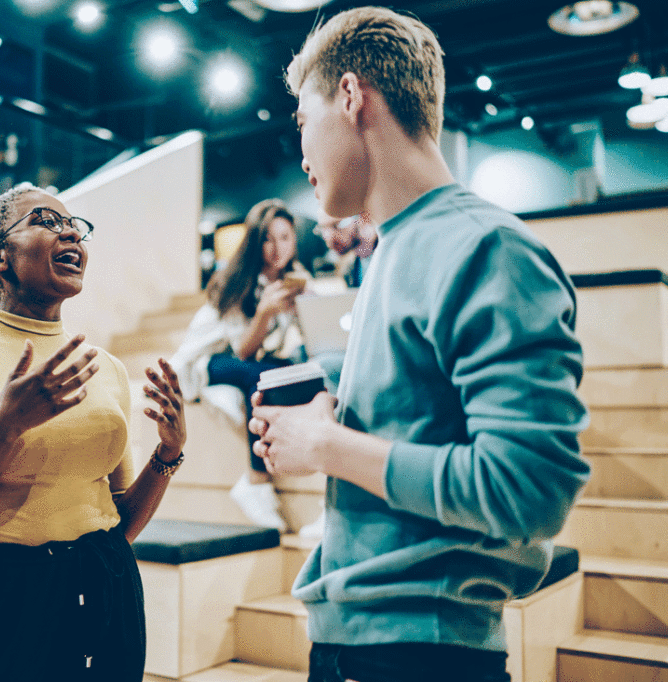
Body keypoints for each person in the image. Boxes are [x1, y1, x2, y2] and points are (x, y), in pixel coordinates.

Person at [248, 7, 589, 682]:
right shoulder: (395, 249)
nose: (303, 154)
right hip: (359, 642)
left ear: (350, 97)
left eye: (301, 123)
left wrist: (325, 446)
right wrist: (330, 406)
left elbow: (528, 491)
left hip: (423, 653)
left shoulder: (485, 246)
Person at [0, 182, 187, 682]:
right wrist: (5, 427)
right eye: (45, 221)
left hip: (107, 585)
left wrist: (168, 452)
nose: (70, 232)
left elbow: (119, 522)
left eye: (75, 226)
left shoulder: (106, 368)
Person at [171, 198, 309, 532]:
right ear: (254, 241)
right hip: (205, 362)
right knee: (261, 376)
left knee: (287, 370)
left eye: (285, 238)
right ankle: (256, 480)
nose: (277, 248)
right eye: (268, 238)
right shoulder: (236, 280)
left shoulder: (292, 280)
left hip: (247, 359)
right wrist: (265, 312)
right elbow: (243, 351)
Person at [314, 210, 378, 288]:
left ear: (363, 217)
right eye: (323, 228)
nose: (329, 238)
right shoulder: (352, 269)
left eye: (337, 225)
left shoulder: (388, 255)